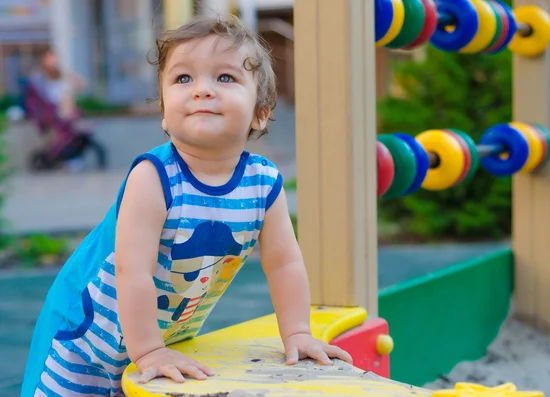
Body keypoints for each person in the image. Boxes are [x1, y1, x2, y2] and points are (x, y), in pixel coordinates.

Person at [21, 13, 352, 397]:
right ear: (164, 111)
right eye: (183, 78)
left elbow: (284, 263)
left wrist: (297, 332)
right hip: (83, 339)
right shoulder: (155, 176)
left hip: (162, 338)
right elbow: (134, 272)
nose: (202, 90)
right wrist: (149, 351)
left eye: (225, 77)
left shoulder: (263, 183)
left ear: (260, 113)